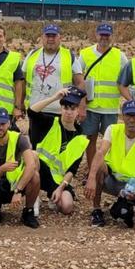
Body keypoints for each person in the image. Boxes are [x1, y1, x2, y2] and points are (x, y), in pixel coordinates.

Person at [85, 99, 135, 228]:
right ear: (122, 116)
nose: (131, 120)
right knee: (99, 164)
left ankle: (128, 203)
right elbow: (100, 152)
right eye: (128, 115)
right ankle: (96, 210)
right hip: (112, 179)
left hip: (134, 186)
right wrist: (91, 178)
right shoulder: (113, 129)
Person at [0, 107, 41, 228]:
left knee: (35, 176)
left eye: (3, 123)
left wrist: (18, 190)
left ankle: (28, 211)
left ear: (9, 123)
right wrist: (2, 168)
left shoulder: (19, 139)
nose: (0, 127)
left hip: (14, 183)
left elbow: (31, 165)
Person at [23, 23, 85, 145]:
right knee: (37, 147)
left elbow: (80, 83)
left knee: (59, 146)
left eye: (54, 36)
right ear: (42, 37)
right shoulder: (32, 55)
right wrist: (18, 104)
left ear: (59, 38)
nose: (50, 39)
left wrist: (81, 107)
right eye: (48, 36)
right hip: (37, 110)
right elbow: (22, 80)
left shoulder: (69, 56)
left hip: (61, 111)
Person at [78, 22, 128, 175]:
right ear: (96, 35)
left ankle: (105, 169)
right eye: (101, 34)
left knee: (109, 141)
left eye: (107, 35)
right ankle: (92, 170)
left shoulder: (120, 56)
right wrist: (81, 105)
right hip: (91, 106)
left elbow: (126, 78)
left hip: (110, 107)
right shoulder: (85, 53)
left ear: (112, 36)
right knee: (90, 140)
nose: (104, 37)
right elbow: (78, 78)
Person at [31, 87, 89, 215]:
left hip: (57, 179)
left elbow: (72, 170)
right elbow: (32, 111)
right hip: (39, 170)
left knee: (67, 206)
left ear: (78, 110)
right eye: (65, 108)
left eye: (72, 109)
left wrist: (61, 187)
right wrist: (54, 98)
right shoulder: (50, 121)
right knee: (33, 155)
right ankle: (34, 199)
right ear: (60, 109)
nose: (69, 112)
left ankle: (54, 196)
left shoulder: (81, 137)